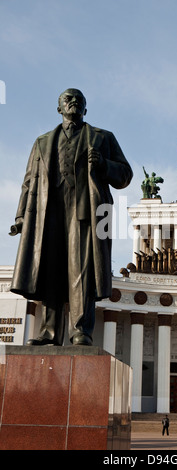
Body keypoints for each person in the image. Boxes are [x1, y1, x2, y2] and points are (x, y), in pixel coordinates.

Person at [9, 88, 133, 346]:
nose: (74, 102)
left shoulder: (102, 137)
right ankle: (49, 332)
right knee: (50, 269)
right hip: (48, 212)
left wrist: (103, 165)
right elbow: (29, 181)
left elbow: (125, 175)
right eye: (68, 99)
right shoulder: (42, 141)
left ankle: (80, 330)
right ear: (59, 108)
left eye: (79, 100)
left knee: (82, 270)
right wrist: (21, 216)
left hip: (87, 212)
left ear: (85, 109)